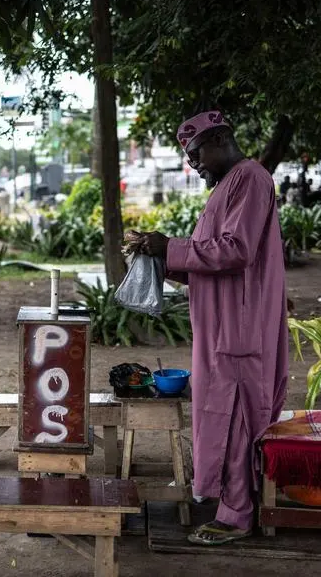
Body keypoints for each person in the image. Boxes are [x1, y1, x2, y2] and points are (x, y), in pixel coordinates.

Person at [126, 110, 288, 545]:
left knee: (235, 420)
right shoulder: (227, 187)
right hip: (220, 327)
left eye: (195, 154)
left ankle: (237, 515)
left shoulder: (250, 178)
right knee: (220, 417)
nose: (192, 163)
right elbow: (207, 258)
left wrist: (173, 248)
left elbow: (235, 251)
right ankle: (226, 501)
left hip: (239, 328)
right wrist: (161, 254)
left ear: (219, 140)